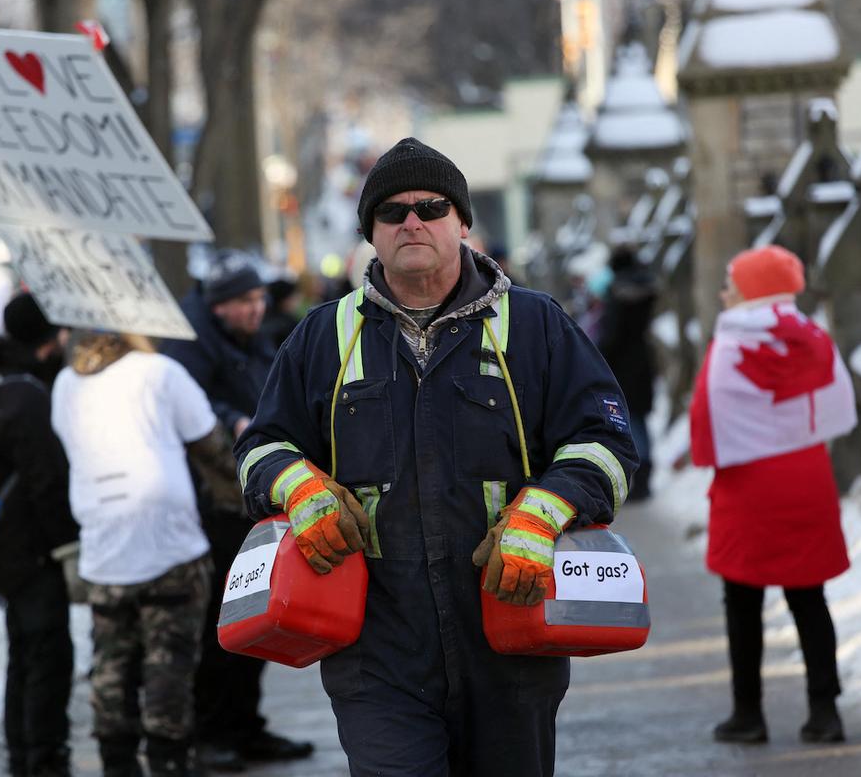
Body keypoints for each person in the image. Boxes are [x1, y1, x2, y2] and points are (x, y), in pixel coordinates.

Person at [234, 137, 638, 776]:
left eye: (431, 206)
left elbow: (606, 445)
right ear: (371, 232)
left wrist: (544, 511)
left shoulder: (534, 325)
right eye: (391, 212)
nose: (412, 221)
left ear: (463, 223)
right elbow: (260, 448)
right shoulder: (323, 335)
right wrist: (300, 488)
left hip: (509, 641)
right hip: (378, 650)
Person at [51, 331, 242, 777]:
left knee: (111, 667)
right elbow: (212, 445)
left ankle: (116, 764)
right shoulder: (161, 373)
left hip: (104, 547)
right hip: (168, 544)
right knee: (169, 667)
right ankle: (169, 762)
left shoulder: (65, 384)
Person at [690, 245, 857, 745]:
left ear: (752, 290)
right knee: (809, 597)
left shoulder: (736, 338)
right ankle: (825, 711)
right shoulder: (811, 335)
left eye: (732, 285)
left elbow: (707, 414)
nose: (725, 293)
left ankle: (748, 713)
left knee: (742, 600)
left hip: (749, 485)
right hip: (806, 478)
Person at [160, 255, 314, 771]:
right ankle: (212, 731)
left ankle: (246, 725)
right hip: (213, 503)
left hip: (249, 496)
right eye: (246, 302)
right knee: (221, 622)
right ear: (220, 306)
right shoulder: (190, 345)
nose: (257, 309)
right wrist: (233, 419)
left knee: (254, 613)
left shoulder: (250, 337)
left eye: (258, 300)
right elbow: (189, 407)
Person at [0, 292, 80, 777]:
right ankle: (42, 762)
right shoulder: (28, 398)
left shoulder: (0, 382)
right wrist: (67, 545)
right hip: (33, 554)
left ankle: (24, 759)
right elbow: (47, 480)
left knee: (24, 656)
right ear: (48, 337)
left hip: (7, 550)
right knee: (47, 658)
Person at [596, 245, 658, 500]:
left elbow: (611, 335)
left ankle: (639, 479)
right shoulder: (646, 290)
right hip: (642, 361)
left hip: (620, 366)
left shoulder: (617, 295)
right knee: (640, 420)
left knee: (629, 421)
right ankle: (645, 478)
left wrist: (599, 355)